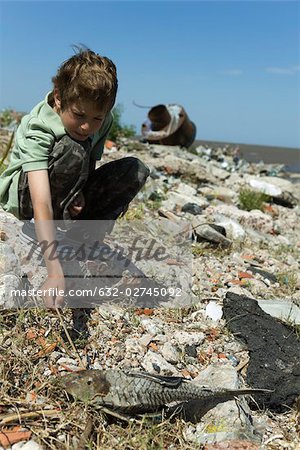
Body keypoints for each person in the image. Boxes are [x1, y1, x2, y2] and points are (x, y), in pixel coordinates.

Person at [0, 47, 150, 309]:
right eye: (79, 115)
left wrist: (79, 190)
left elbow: (90, 158)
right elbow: (41, 201)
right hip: (26, 198)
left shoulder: (101, 119)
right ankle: (45, 235)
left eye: (96, 118)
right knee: (72, 145)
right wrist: (55, 272)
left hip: (65, 189)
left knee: (134, 169)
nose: (87, 126)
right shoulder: (40, 126)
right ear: (58, 98)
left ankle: (80, 235)